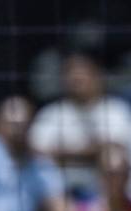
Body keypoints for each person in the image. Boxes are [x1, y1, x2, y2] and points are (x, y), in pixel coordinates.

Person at [29, 51, 131, 197]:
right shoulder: (50, 113)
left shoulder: (116, 110)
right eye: (71, 75)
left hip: (103, 192)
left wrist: (63, 154)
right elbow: (37, 152)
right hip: (59, 191)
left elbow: (115, 148)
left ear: (97, 77)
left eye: (83, 75)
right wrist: (92, 152)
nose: (77, 80)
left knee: (112, 158)